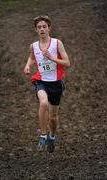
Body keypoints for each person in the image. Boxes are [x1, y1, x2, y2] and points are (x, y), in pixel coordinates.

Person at [24, 15, 70, 153]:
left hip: (56, 83)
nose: (42, 29)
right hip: (41, 80)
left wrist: (52, 58)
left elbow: (67, 63)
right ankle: (43, 135)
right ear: (36, 30)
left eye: (44, 26)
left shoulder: (57, 43)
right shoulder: (33, 46)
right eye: (39, 27)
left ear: (49, 28)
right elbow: (32, 57)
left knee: (53, 118)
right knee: (43, 103)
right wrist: (27, 65)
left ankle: (52, 135)